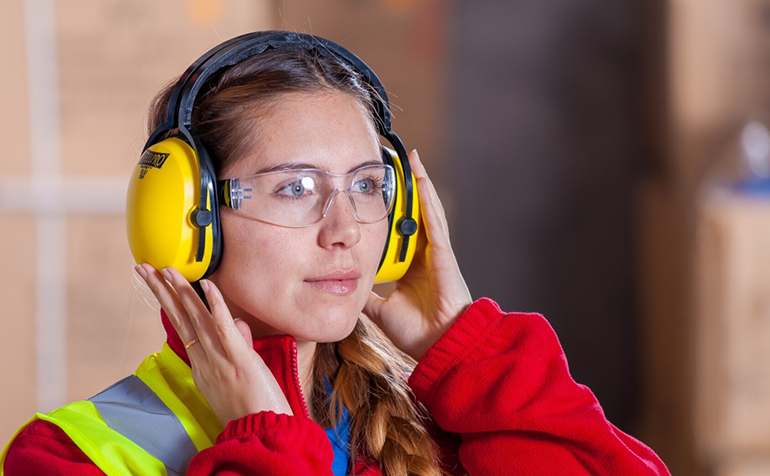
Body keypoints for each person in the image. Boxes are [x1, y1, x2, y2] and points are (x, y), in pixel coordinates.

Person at [1, 31, 670, 476]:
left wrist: (474, 358)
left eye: (367, 185)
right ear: (183, 219)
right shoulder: (69, 456)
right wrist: (262, 443)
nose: (346, 227)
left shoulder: (449, 421)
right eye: (295, 187)